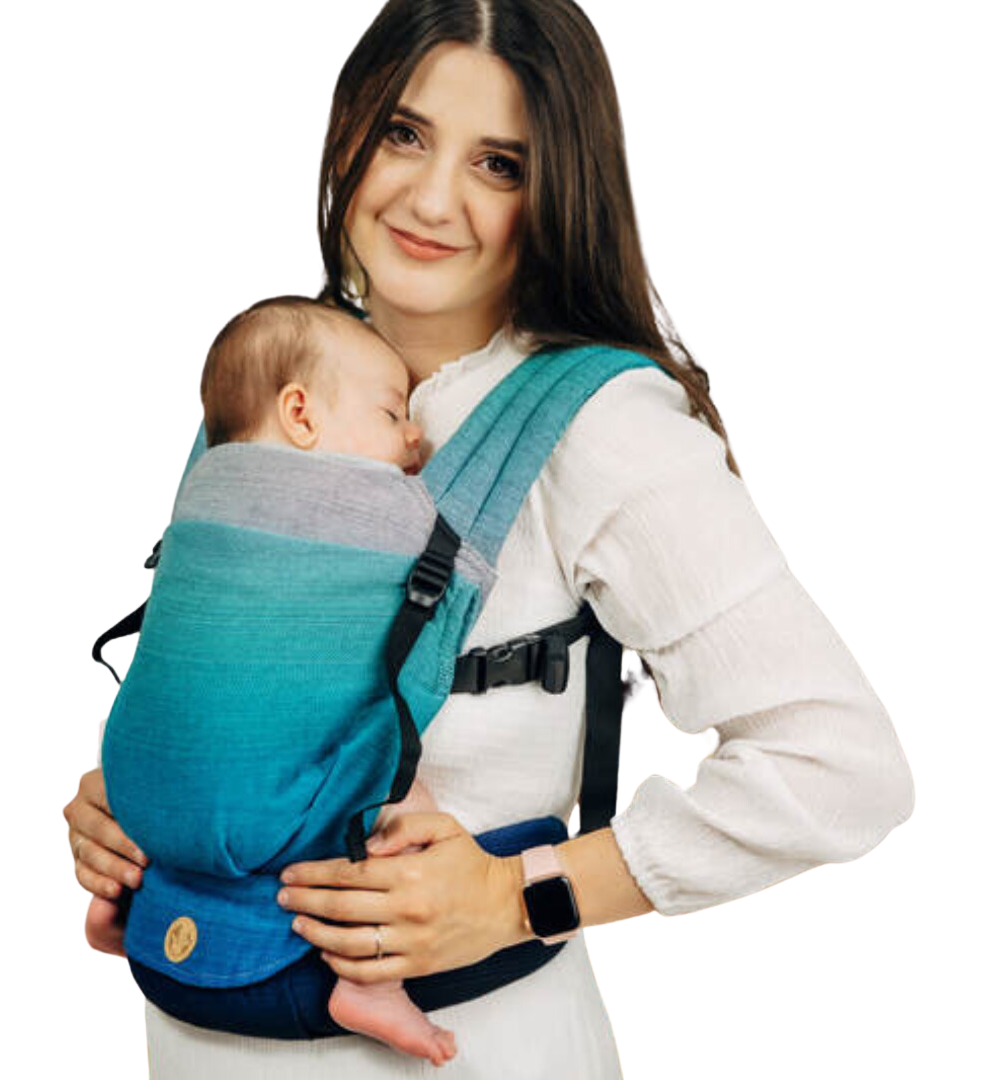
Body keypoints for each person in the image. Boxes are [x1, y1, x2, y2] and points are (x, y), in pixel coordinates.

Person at [64, 2, 915, 1075]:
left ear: (556, 192)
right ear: (348, 133)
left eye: (499, 164)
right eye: (404, 134)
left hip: (473, 1048)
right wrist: (133, 806)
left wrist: (524, 896)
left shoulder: (602, 427)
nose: (431, 199)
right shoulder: (279, 382)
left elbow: (842, 767)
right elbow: (240, 679)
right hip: (192, 1027)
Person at [88, 295, 468, 1065]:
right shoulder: (370, 507)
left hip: (135, 784)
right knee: (404, 806)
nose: (414, 436)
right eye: (392, 412)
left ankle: (120, 899)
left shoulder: (204, 489)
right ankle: (366, 979)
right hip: (282, 812)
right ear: (300, 415)